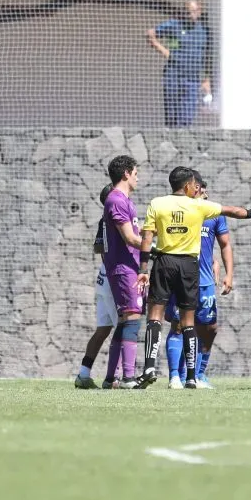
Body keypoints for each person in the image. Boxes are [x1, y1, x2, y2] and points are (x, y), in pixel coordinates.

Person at [135, 167, 251, 388]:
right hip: (188, 265)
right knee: (188, 321)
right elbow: (232, 210)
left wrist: (143, 269)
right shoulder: (198, 205)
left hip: (164, 262)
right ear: (187, 186)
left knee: (154, 316)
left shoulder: (157, 204)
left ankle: (149, 367)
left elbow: (147, 237)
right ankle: (192, 377)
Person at [165, 174, 232, 388]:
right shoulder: (178, 211)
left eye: (203, 188)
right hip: (180, 278)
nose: (202, 192)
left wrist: (228, 273)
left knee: (209, 329)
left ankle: (199, 374)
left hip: (204, 281)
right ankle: (176, 376)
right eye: (198, 188)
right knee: (179, 326)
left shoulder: (214, 215)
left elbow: (224, 245)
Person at [101, 155, 144, 389]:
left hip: (131, 267)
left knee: (126, 320)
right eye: (136, 173)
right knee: (132, 318)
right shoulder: (116, 200)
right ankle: (128, 378)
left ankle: (111, 379)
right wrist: (155, 246)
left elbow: (136, 235)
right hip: (123, 268)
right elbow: (129, 238)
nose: (138, 177)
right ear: (126, 173)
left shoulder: (126, 201)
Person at [75, 184, 118, 389]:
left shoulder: (104, 220)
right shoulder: (115, 219)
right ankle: (114, 378)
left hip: (103, 278)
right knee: (124, 328)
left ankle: (83, 374)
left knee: (102, 329)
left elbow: (98, 247)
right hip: (113, 279)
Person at [146, 0, 209, 127]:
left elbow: (206, 56)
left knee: (187, 115)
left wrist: (206, 79)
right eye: (188, 11)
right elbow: (151, 33)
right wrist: (166, 52)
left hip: (192, 78)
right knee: (172, 114)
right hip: (173, 75)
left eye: (193, 11)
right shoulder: (175, 25)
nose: (190, 14)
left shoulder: (203, 31)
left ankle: (183, 141)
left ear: (199, 12)